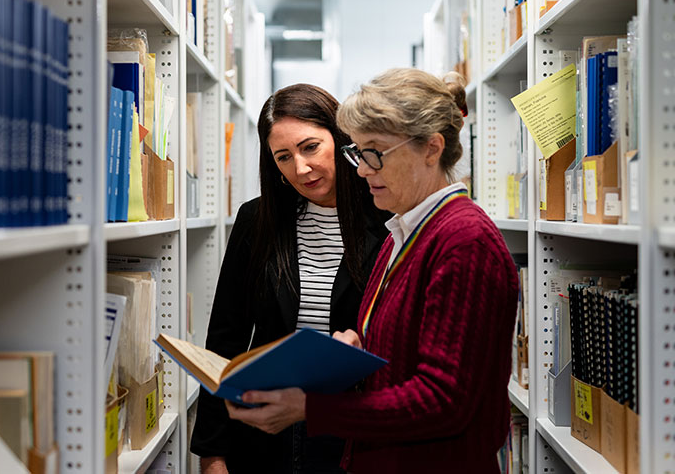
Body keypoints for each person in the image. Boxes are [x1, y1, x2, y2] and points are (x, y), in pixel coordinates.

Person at [225, 69, 519, 473]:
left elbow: (444, 402)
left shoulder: (465, 241)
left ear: (431, 148)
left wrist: (311, 408)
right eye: (359, 153)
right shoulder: (403, 233)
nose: (362, 169)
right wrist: (356, 349)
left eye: (375, 153)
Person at [191, 83, 389, 473]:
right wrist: (212, 455)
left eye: (310, 147)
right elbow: (226, 340)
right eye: (283, 157)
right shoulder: (256, 221)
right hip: (266, 430)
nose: (300, 168)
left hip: (353, 425)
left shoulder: (388, 218)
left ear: (340, 138)